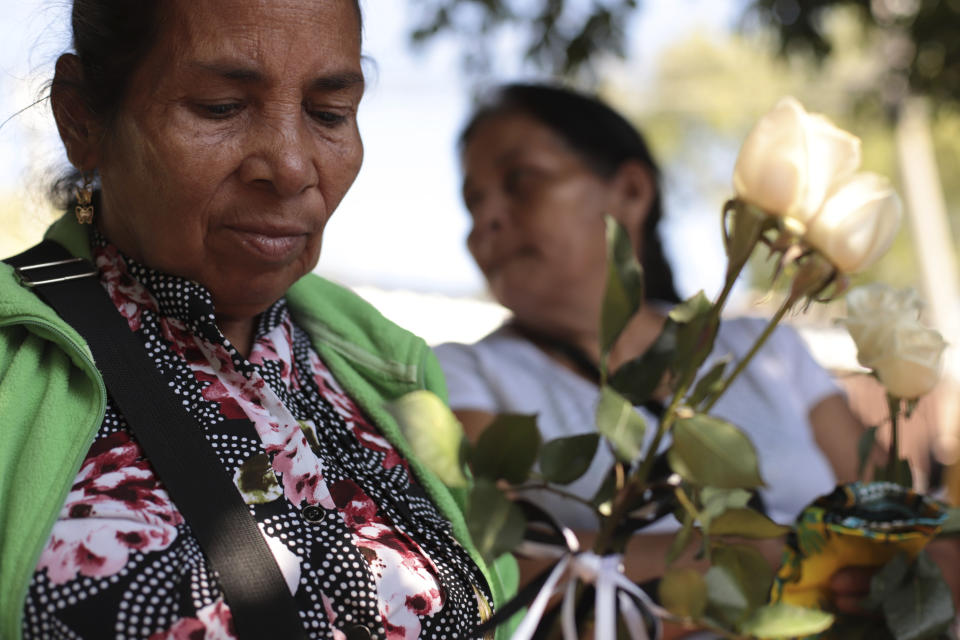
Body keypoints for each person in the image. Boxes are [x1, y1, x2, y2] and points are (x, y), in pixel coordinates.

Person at [0, 2, 512, 639]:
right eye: (221, 107)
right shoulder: (13, 363)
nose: (292, 167)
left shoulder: (386, 365)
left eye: (328, 115)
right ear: (81, 118)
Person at [435, 83, 868, 583]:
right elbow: (498, 571)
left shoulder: (766, 348)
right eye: (472, 203)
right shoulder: (466, 376)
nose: (485, 220)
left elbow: (901, 523)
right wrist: (763, 556)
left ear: (631, 192)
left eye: (521, 181)